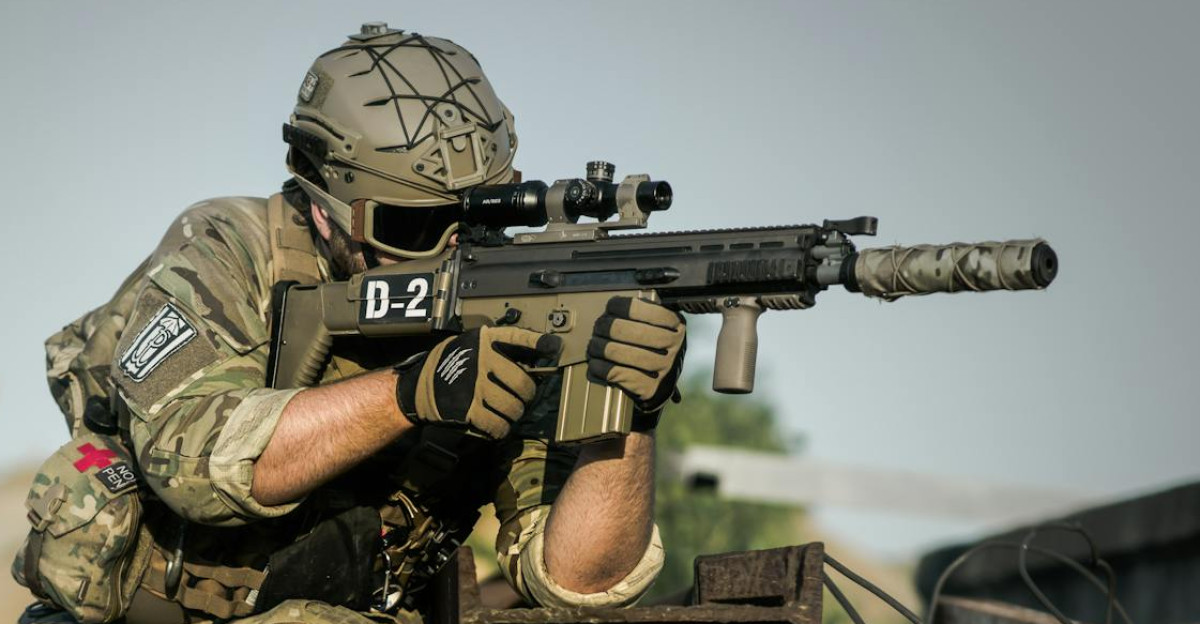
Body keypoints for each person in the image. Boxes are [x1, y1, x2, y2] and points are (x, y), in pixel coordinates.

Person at [19, 22, 685, 624]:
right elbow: (197, 463)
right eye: (412, 226)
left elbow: (576, 579)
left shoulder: (519, 304)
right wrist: (409, 393)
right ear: (320, 203)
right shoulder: (231, 248)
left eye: (481, 218)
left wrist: (627, 419)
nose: (452, 247)